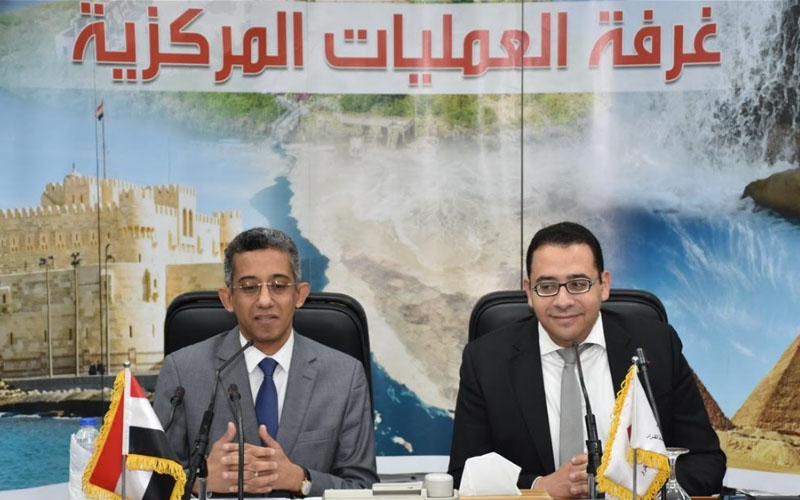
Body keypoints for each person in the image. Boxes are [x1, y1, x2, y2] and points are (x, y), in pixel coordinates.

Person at [448, 221, 726, 498]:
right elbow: (463, 475)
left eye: (578, 284)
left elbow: (706, 463)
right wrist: (539, 486)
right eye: (547, 286)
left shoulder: (656, 346)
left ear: (604, 285)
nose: (563, 301)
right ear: (529, 291)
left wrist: (625, 489)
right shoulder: (486, 360)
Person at [154, 228, 377, 496]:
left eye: (279, 286)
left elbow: (362, 488)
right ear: (228, 299)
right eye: (249, 287)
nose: (264, 300)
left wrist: (301, 480)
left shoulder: (345, 376)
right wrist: (197, 483)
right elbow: (151, 483)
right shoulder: (182, 371)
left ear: (300, 294)